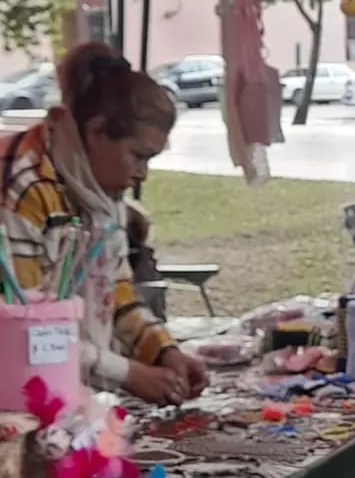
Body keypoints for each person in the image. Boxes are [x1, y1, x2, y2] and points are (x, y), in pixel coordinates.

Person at [1, 43, 205, 406]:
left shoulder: (97, 189)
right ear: (96, 131)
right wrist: (128, 373)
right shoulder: (23, 187)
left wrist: (162, 351)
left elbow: (115, 287)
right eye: (138, 156)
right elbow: (27, 328)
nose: (142, 173)